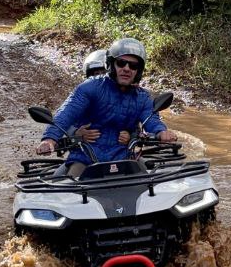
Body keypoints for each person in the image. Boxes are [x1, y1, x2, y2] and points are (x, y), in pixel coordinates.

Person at [38, 37, 177, 177]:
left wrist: (161, 132)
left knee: (154, 185)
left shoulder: (143, 97)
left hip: (124, 158)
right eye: (121, 63)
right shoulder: (90, 87)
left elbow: (151, 119)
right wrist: (50, 139)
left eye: (133, 66)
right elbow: (65, 114)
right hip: (85, 159)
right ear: (111, 64)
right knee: (67, 191)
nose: (126, 69)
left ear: (138, 71)